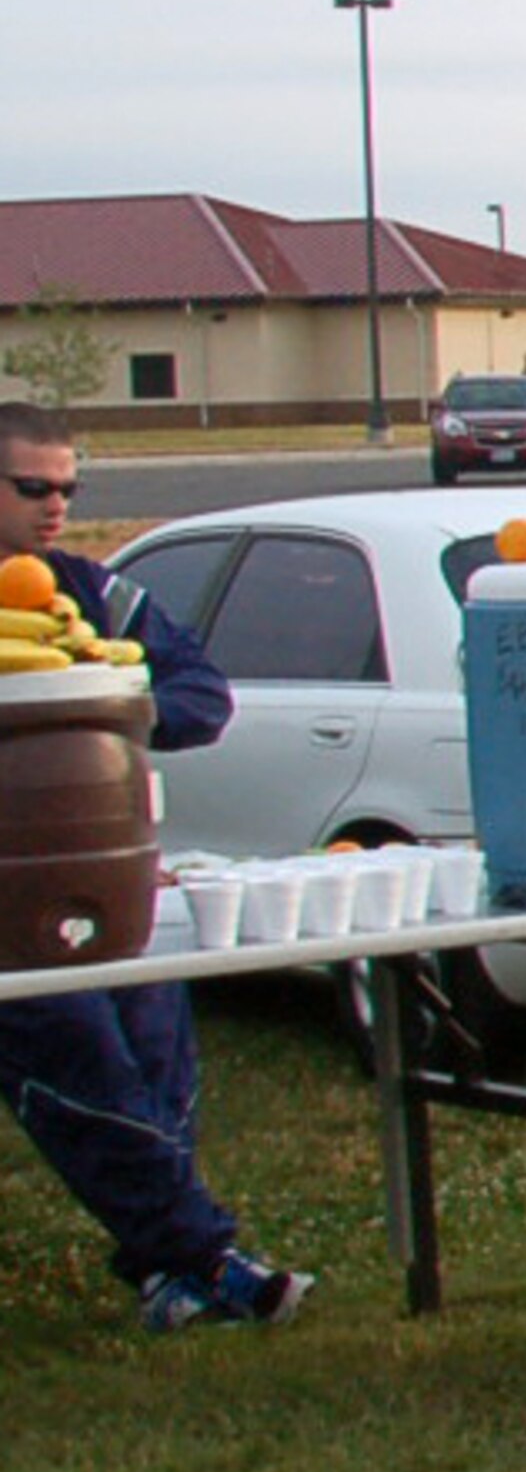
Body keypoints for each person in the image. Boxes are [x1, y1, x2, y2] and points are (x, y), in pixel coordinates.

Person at [0, 401, 314, 1331]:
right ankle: (205, 1255)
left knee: (154, 1035)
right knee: (75, 1049)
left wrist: (98, 700)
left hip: (100, 866)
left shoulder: (91, 596)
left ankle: (172, 1268)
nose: (55, 508)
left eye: (68, 489)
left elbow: (202, 694)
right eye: (32, 489)